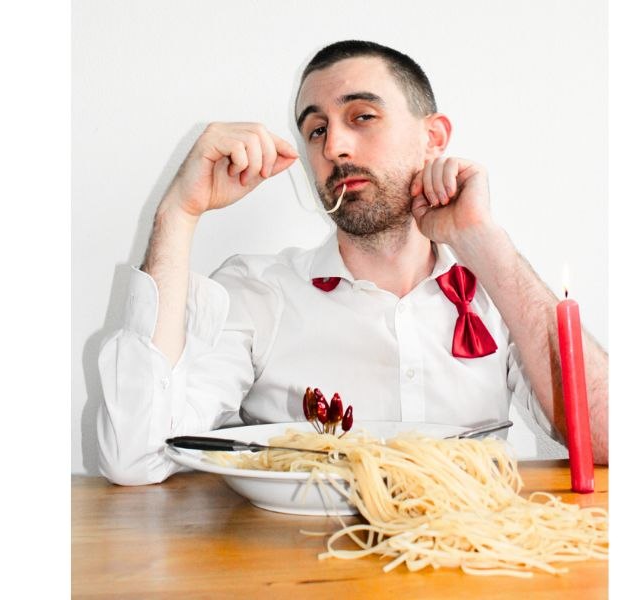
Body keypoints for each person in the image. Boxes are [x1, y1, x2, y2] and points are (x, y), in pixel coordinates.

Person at [97, 40, 608, 486]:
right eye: (316, 130)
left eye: (362, 116)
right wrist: (178, 212)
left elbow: (610, 441)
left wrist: (485, 243)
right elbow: (136, 456)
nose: (335, 146)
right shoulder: (258, 292)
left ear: (433, 138)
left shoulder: (498, 291)